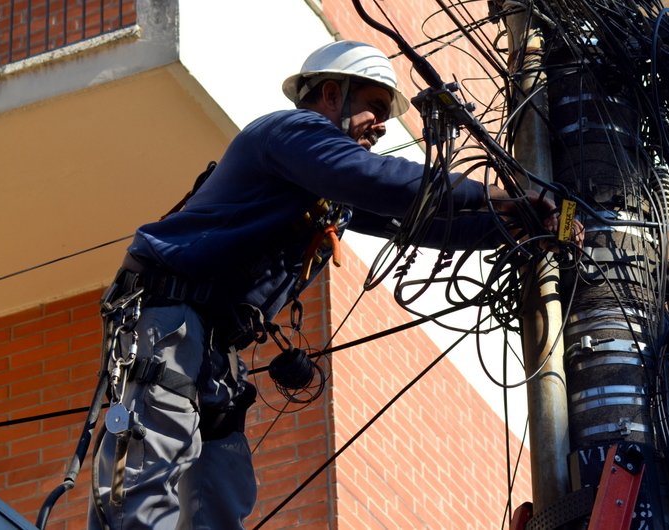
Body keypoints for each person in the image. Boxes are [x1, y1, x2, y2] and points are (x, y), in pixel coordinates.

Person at [88, 40, 577, 530]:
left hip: (213, 341)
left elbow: (421, 222)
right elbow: (377, 180)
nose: (382, 125)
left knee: (221, 483)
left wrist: (519, 227)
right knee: (151, 456)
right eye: (375, 107)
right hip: (170, 314)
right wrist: (496, 194)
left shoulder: (326, 185)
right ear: (330, 94)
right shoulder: (289, 133)